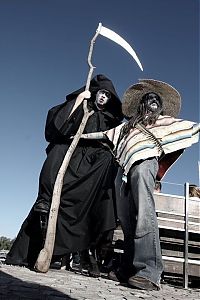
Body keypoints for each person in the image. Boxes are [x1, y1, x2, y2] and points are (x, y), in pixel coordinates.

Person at [79, 79, 199, 290]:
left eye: (156, 99)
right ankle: (128, 268)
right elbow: (104, 135)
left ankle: (149, 272)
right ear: (141, 104)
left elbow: (192, 129)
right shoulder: (126, 128)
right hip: (123, 171)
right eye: (148, 98)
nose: (153, 100)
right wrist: (78, 135)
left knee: (144, 214)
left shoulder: (165, 122)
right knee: (126, 219)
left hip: (145, 164)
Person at [6, 74, 123, 275]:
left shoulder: (110, 119)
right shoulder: (81, 106)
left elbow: (114, 141)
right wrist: (79, 100)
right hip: (69, 158)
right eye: (100, 93)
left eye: (107, 95)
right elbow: (58, 127)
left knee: (107, 159)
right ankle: (45, 204)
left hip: (90, 167)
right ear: (95, 93)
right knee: (58, 147)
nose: (103, 97)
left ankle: (86, 255)